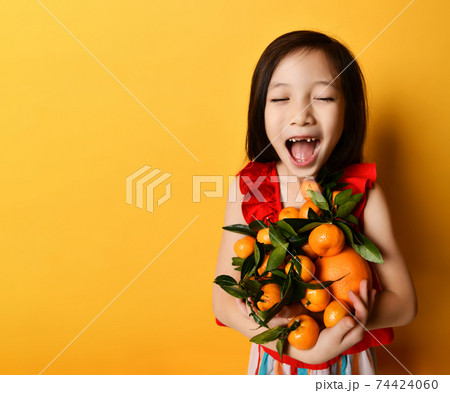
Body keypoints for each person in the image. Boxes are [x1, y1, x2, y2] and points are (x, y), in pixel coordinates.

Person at [212, 30, 417, 375]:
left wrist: (345, 319)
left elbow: (404, 304)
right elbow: (223, 301)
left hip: (347, 363)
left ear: (348, 112)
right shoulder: (252, 188)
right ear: (259, 111)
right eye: (280, 99)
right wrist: (295, 344)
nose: (301, 115)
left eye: (323, 97)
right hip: (274, 363)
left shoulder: (362, 193)